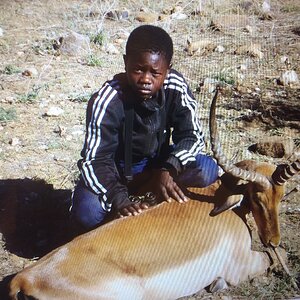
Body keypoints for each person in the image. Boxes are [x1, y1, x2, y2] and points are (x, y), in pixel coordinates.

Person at [70, 25, 219, 232]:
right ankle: (122, 213)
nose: (145, 79)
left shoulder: (175, 86)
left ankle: (155, 193)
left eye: (155, 73)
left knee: (207, 169)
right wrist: (119, 199)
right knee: (87, 212)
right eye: (138, 69)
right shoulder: (107, 99)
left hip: (158, 166)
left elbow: (192, 136)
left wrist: (170, 167)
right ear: (125, 62)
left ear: (167, 70)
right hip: (116, 172)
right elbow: (95, 160)